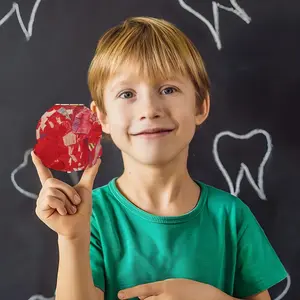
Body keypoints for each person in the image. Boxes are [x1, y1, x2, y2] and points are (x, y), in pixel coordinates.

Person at [32, 16, 288, 300]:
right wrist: (72, 239)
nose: (150, 109)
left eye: (168, 90)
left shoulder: (231, 216)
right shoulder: (91, 216)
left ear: (200, 106)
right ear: (101, 117)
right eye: (127, 93)